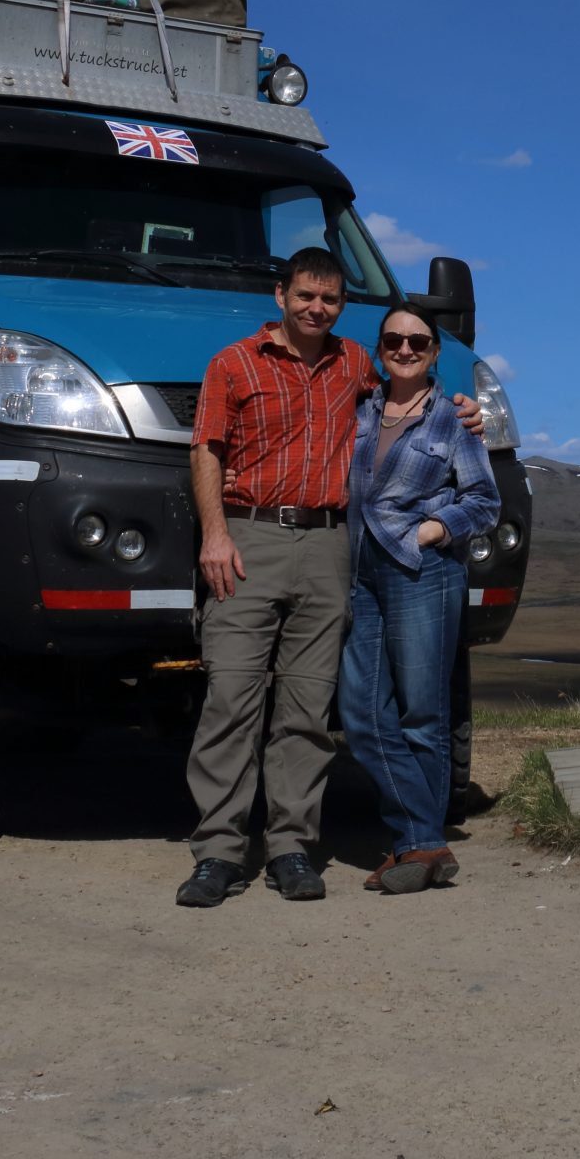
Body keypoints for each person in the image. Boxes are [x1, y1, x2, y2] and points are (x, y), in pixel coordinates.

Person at [175, 247, 478, 908]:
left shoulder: (353, 363)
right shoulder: (233, 363)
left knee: (307, 708)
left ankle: (290, 846)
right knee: (231, 695)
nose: (317, 307)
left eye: (330, 299)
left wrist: (465, 410)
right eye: (306, 295)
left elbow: (409, 389)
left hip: (328, 541)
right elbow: (207, 447)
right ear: (280, 294)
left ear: (341, 306)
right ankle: (219, 851)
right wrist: (216, 534)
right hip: (248, 534)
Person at [340, 304, 500, 895]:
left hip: (424, 572)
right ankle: (425, 839)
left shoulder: (455, 422)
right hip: (360, 572)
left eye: (418, 341)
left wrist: (430, 532)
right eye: (393, 339)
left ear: (435, 354)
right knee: (361, 712)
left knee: (423, 714)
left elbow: (484, 502)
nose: (404, 349)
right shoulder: (358, 411)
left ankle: (416, 845)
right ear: (380, 347)